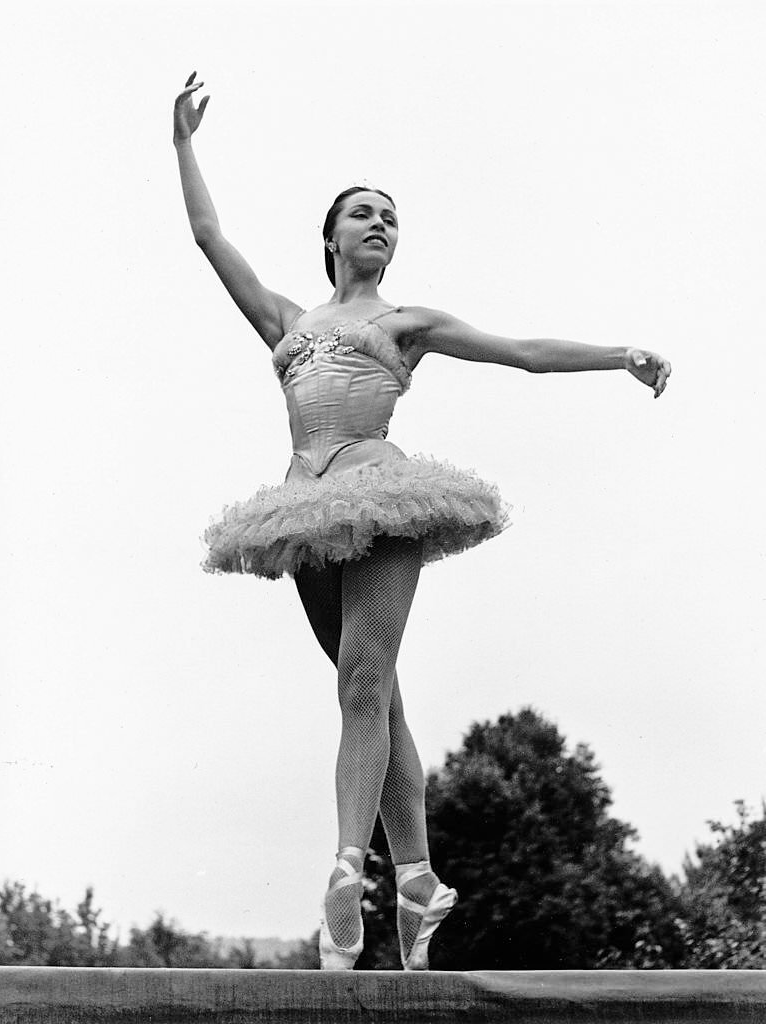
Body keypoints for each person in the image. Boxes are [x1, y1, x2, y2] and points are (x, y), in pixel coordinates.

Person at [173, 72, 671, 972]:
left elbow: (522, 355)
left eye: (390, 218)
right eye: (361, 213)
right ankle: (415, 880)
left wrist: (619, 354)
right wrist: (183, 143)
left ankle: (342, 874)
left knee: (363, 687)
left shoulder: (408, 321)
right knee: (374, 691)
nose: (378, 225)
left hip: (379, 494)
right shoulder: (285, 319)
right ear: (329, 237)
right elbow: (210, 238)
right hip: (300, 508)